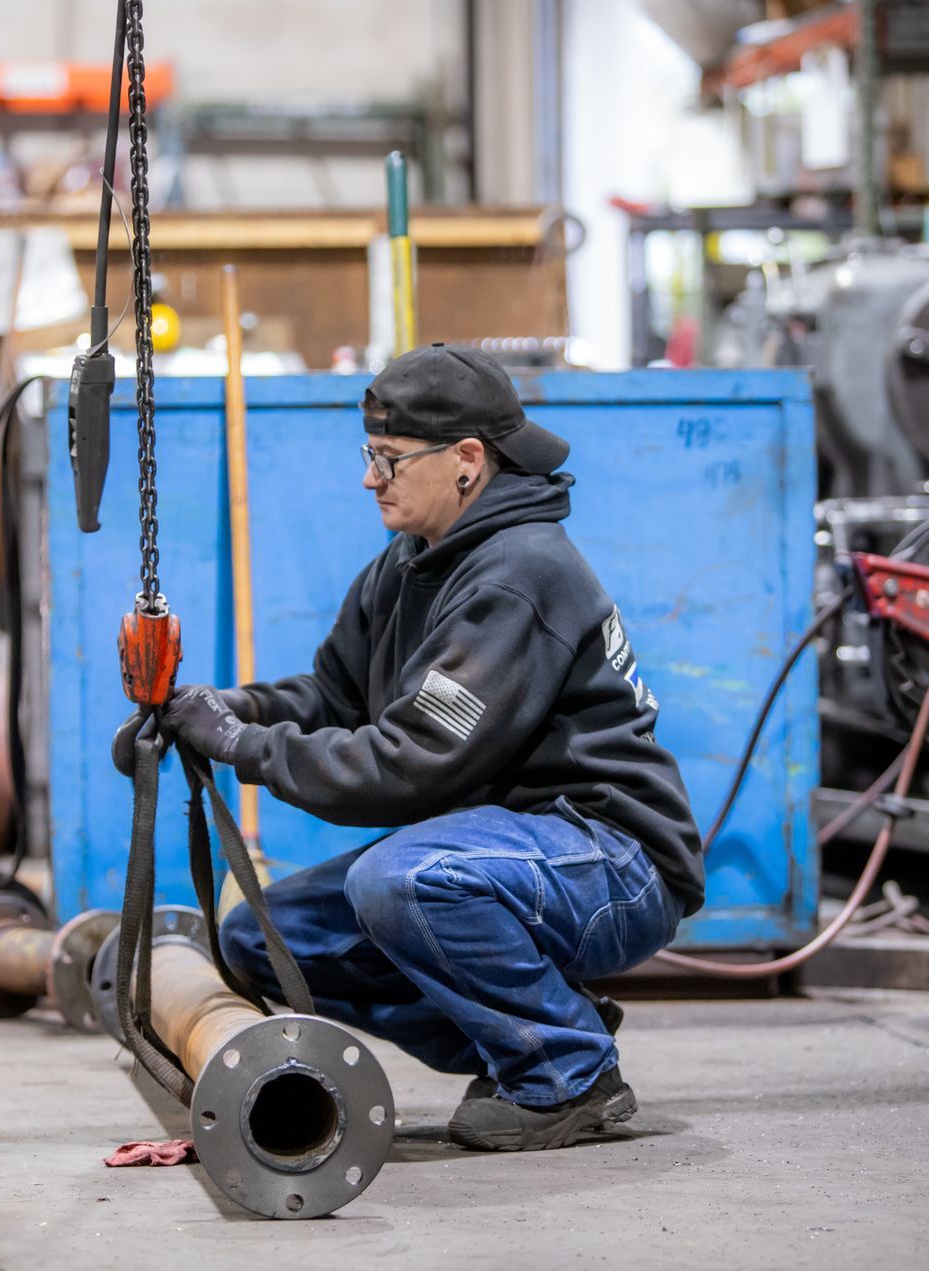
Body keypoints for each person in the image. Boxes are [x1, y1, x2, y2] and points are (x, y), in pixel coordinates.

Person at [119, 343, 705, 1152]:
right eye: (372, 455)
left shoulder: (518, 575)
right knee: (261, 939)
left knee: (399, 880)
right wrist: (213, 711)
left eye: (390, 460)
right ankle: (530, 1032)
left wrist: (242, 745)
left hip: (610, 858)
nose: (371, 478)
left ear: (468, 460)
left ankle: (567, 1071)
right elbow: (333, 696)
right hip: (512, 851)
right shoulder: (409, 563)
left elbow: (407, 765)